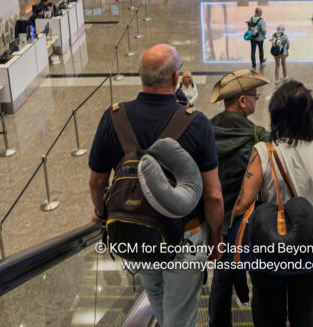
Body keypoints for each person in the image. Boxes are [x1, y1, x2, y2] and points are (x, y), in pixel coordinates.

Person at [87, 44, 224, 327]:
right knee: (180, 318)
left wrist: (101, 215)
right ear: (176, 78)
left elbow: (97, 181)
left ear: (141, 77)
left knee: (158, 298)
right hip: (185, 236)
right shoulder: (196, 123)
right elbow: (213, 194)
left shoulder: (113, 117)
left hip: (136, 231)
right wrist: (216, 238)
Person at [232, 81, 313, 327]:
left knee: (269, 316)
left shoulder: (262, 150)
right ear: (309, 115)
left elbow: (243, 202)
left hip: (269, 246)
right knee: (303, 315)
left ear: (275, 114)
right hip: (309, 248)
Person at [208, 69, 270, 327]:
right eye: (254, 96)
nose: (257, 100)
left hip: (215, 220)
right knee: (259, 277)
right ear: (242, 100)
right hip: (248, 220)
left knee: (220, 280)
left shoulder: (206, 130)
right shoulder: (258, 136)